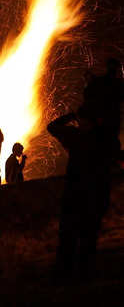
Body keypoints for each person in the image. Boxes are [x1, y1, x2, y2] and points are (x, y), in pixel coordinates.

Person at [47, 107, 113, 281]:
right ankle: (83, 272)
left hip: (76, 194)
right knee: (87, 236)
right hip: (92, 195)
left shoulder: (74, 136)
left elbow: (52, 127)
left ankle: (65, 272)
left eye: (82, 120)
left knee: (71, 234)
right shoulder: (102, 138)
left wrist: (70, 116)